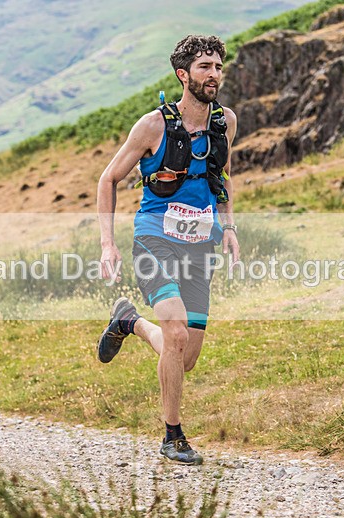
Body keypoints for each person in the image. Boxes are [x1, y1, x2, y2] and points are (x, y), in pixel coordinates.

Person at [96, 35, 239, 465]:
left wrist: (229, 226)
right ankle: (172, 436)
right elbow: (108, 179)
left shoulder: (226, 122)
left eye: (218, 67)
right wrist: (108, 243)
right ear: (183, 74)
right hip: (154, 239)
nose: (214, 75)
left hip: (200, 245)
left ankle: (129, 321)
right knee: (175, 334)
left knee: (185, 355)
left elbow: (221, 176)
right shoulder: (152, 126)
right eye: (204, 67)